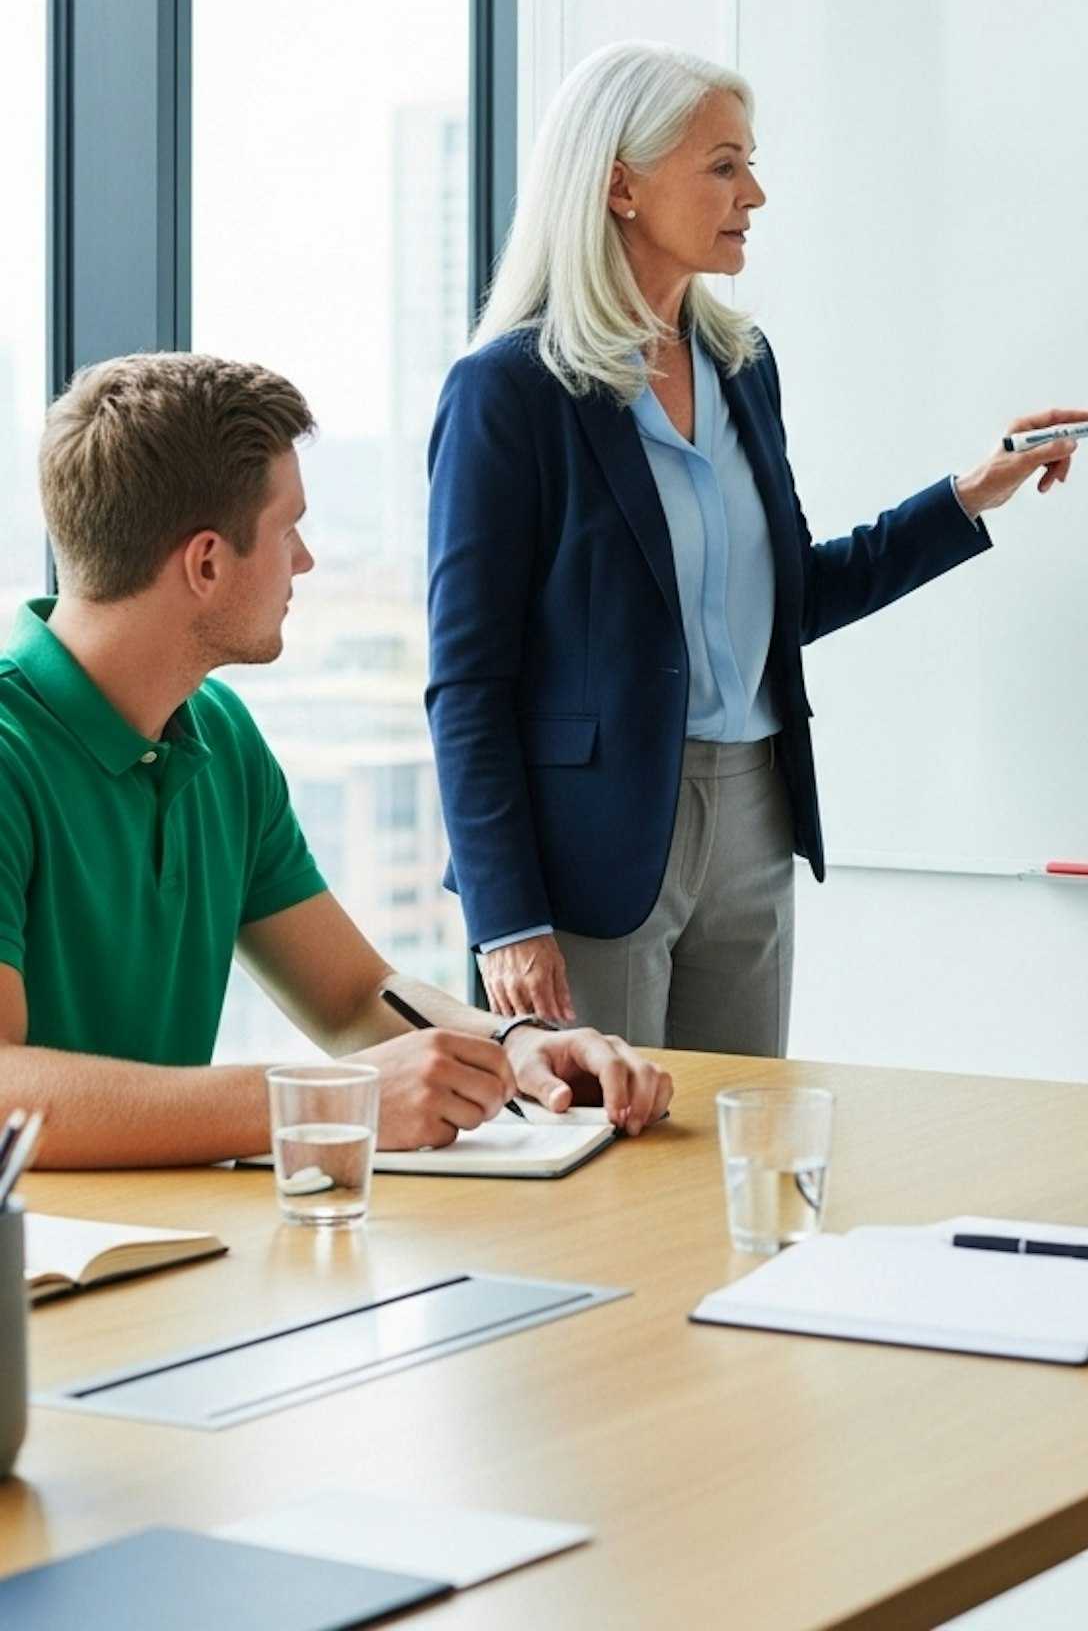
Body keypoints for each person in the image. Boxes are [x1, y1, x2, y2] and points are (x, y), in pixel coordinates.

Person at [430, 41, 1088, 1052]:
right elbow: (468, 679)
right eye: (724, 164)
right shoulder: (508, 391)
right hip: (586, 849)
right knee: (602, 1161)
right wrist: (505, 914)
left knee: (736, 1140)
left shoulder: (741, 364)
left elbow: (793, 597)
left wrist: (971, 491)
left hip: (754, 812)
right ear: (619, 185)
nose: (756, 193)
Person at [0, 353, 669, 1169]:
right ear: (206, 563)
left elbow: (354, 997)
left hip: (177, 1241)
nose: (306, 561)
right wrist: (324, 1101)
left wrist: (513, 1044)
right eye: (288, 530)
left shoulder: (217, 734)